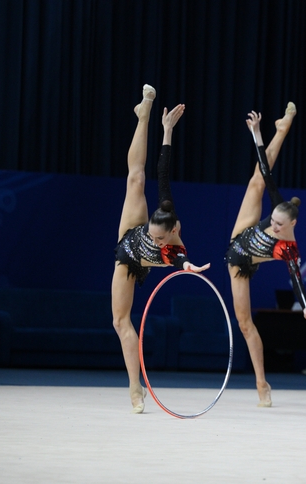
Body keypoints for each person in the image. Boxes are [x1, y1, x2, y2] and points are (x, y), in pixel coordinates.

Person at [112, 85, 210, 414]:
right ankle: (144, 114)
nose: (158, 241)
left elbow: (180, 258)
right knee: (136, 179)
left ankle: (135, 385)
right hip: (128, 245)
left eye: (161, 239)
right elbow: (163, 172)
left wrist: (187, 266)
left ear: (173, 231)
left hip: (144, 259)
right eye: (154, 237)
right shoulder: (161, 213)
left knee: (126, 320)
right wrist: (166, 130)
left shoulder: (174, 238)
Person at [226, 104, 306, 408]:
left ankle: (261, 383)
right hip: (241, 239)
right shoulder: (278, 209)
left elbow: (296, 280)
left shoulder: (289, 249)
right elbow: (266, 171)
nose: (273, 227)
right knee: (257, 180)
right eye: (273, 222)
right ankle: (282, 128)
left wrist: (305, 308)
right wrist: (256, 134)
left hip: (242, 264)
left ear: (292, 224)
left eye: (278, 225)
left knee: (244, 323)